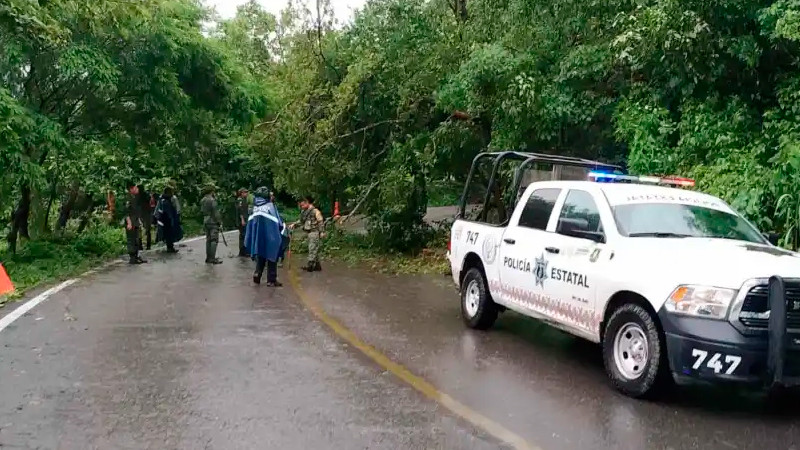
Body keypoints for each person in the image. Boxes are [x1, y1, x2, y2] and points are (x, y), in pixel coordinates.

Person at [245, 187, 284, 286]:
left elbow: (250, 224)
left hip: (258, 237)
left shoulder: (254, 207)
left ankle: (257, 274)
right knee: (272, 254)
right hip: (270, 235)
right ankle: (271, 280)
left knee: (261, 254)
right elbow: (278, 222)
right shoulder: (270, 206)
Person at [290, 195, 325, 272]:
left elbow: (320, 221)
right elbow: (301, 221)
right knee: (313, 248)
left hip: (314, 232)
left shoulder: (315, 211)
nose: (301, 207)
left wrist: (322, 231)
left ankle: (310, 266)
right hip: (308, 232)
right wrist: (294, 224)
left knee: (312, 248)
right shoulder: (304, 212)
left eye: (302, 205)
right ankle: (317, 266)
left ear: (307, 203)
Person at [154, 185, 183, 253]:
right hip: (171, 218)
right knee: (172, 232)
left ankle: (167, 244)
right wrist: (178, 217)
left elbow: (157, 208)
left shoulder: (161, 198)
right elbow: (178, 209)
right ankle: (170, 247)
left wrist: (156, 217)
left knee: (165, 232)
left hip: (162, 218)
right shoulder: (173, 198)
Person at [124, 182, 147, 265]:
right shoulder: (128, 199)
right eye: (135, 188)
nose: (137, 189)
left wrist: (139, 220)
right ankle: (132, 258)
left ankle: (136, 256)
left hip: (136, 221)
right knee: (132, 239)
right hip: (131, 222)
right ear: (131, 189)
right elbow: (126, 213)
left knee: (137, 239)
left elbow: (137, 211)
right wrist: (129, 223)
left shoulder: (135, 198)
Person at [200, 183, 223, 264]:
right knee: (214, 240)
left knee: (208, 240)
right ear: (211, 191)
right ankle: (212, 258)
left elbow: (202, 211)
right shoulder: (212, 200)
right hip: (213, 221)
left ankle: (208, 257)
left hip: (205, 220)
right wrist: (219, 222)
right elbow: (216, 213)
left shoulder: (202, 200)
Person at [138, 184, 154, 250]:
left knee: (143, 230)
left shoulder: (143, 195)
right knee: (145, 230)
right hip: (144, 213)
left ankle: (143, 245)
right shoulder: (144, 195)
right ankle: (146, 245)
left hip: (144, 213)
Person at [236, 188, 250, 257]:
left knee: (243, 235)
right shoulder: (240, 200)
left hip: (245, 218)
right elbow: (240, 210)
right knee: (243, 235)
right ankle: (243, 251)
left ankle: (244, 251)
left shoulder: (244, 200)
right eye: (245, 192)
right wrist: (242, 219)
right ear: (241, 193)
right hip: (242, 219)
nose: (246, 193)